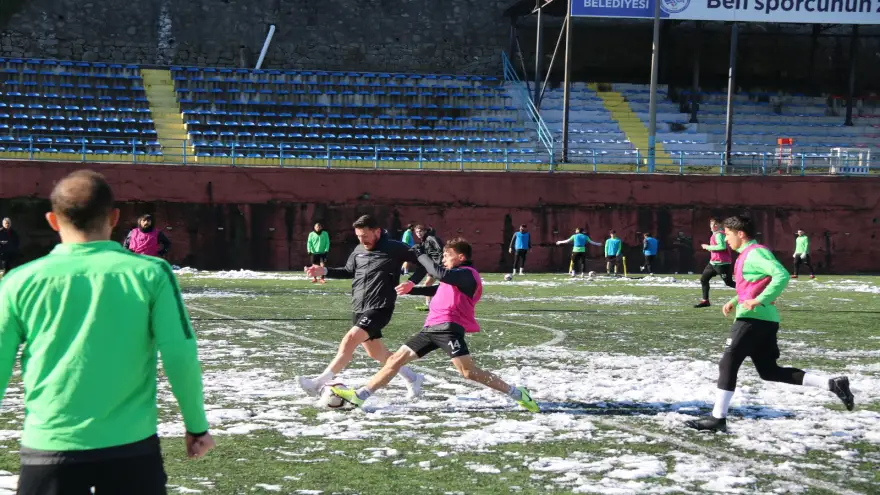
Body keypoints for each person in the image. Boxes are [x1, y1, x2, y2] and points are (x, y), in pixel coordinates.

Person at [0, 170, 214, 494]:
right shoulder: (152, 273)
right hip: (131, 447)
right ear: (114, 218)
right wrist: (196, 426)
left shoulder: (19, 281)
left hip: (49, 446)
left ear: (53, 221)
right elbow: (179, 354)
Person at [330, 238, 540, 413]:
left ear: (461, 257)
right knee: (394, 360)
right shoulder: (455, 277)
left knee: (467, 372)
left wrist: (421, 255)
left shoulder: (468, 274)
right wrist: (412, 290)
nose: (444, 259)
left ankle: (517, 393)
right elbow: (439, 288)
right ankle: (360, 396)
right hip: (431, 328)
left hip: (449, 328)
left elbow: (441, 275)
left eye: (448, 256)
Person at [685, 216, 853, 433]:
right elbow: (753, 285)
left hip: (753, 319)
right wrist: (735, 300)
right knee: (769, 371)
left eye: (727, 234)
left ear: (740, 234)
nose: (725, 239)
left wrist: (760, 300)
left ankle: (718, 419)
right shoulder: (748, 253)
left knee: (728, 362)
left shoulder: (755, 253)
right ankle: (832, 384)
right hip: (763, 319)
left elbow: (781, 275)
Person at [299, 215, 427, 399]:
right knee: (377, 353)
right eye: (358, 236)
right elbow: (348, 271)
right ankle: (413, 378)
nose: (362, 240)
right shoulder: (359, 249)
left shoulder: (395, 247)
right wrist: (324, 270)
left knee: (349, 339)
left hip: (380, 306)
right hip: (359, 306)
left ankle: (318, 383)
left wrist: (411, 282)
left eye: (365, 235)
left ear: (377, 231)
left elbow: (424, 264)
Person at [694, 218, 736, 308]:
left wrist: (707, 247)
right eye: (712, 224)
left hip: (722, 264)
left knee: (729, 283)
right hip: (713, 263)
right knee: (704, 279)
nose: (713, 226)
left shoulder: (719, 234)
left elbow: (722, 247)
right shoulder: (716, 234)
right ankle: (705, 301)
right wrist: (709, 248)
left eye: (716, 224)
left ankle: (750, 291)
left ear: (720, 225)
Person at [414, 224, 443, 310]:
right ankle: (428, 305)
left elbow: (441, 250)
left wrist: (440, 263)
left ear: (425, 231)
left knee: (446, 285)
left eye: (420, 231)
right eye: (417, 232)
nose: (418, 233)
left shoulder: (431, 238)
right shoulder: (423, 241)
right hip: (433, 266)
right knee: (427, 284)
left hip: (439, 266)